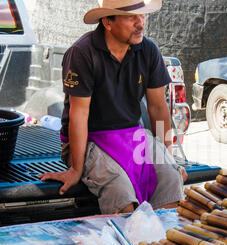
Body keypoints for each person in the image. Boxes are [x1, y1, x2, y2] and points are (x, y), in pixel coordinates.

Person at [39, 0, 187, 214]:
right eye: (131, 17)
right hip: (88, 139)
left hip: (132, 135)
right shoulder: (82, 52)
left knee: (171, 181)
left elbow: (158, 108)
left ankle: (160, 244)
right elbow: (78, 114)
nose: (140, 23)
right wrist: (76, 169)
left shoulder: (148, 50)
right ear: (108, 22)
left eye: (142, 16)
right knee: (120, 191)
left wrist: (168, 157)